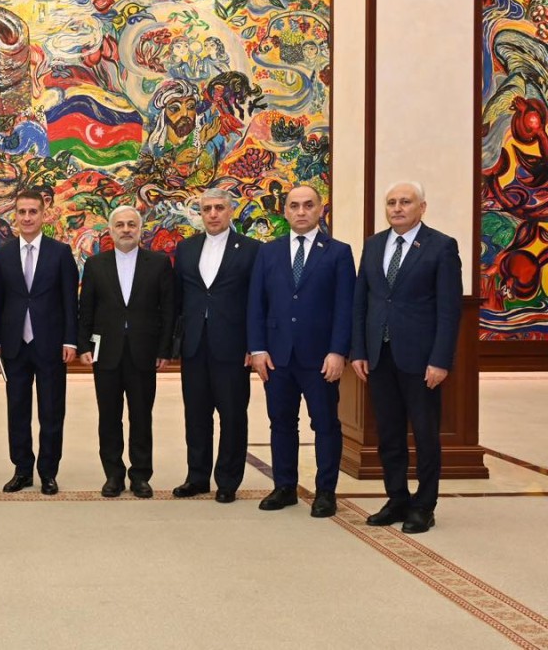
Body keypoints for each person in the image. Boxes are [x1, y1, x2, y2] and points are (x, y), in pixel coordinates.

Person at [351, 182, 462, 534]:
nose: (397, 208)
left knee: (426, 435)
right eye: (391, 202)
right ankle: (396, 497)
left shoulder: (441, 246)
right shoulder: (373, 245)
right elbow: (361, 302)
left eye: (405, 202)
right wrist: (359, 350)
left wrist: (440, 360)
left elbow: (449, 310)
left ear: (422, 207)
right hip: (379, 356)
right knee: (389, 434)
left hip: (421, 360)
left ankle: (424, 506)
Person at [246, 185, 354, 518]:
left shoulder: (338, 252)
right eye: (294, 206)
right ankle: (284, 487)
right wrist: (257, 349)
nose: (301, 211)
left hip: (321, 358)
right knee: (281, 423)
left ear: (321, 209)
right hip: (277, 357)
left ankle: (325, 492)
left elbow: (345, 307)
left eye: (308, 205)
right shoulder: (268, 252)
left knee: (325, 424)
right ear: (285, 211)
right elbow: (256, 304)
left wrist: (338, 351)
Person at [172, 188, 261, 504]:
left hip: (233, 346)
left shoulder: (251, 250)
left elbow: (257, 301)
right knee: (196, 415)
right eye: (207, 208)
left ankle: (227, 481)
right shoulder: (186, 248)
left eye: (219, 208)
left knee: (232, 415)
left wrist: (255, 344)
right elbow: (178, 299)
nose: (213, 214)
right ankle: (197, 477)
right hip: (195, 344)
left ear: (230, 211)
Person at [78, 206, 175, 498]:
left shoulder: (158, 263)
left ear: (140, 229)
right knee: (109, 417)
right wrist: (83, 345)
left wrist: (164, 349)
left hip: (144, 352)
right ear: (111, 230)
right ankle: (113, 475)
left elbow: (168, 310)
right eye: (120, 225)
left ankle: (141, 475)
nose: (126, 229)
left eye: (131, 224)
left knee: (141, 416)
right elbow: (86, 309)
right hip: (106, 352)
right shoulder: (95, 264)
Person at [0, 189, 78, 495]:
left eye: (33, 212)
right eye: (22, 212)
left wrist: (70, 340)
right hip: (14, 344)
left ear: (44, 215)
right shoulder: (3, 254)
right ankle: (22, 470)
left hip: (50, 343)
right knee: (17, 410)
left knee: (51, 411)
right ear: (15, 216)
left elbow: (70, 300)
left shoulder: (60, 252)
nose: (27, 217)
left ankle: (48, 472)